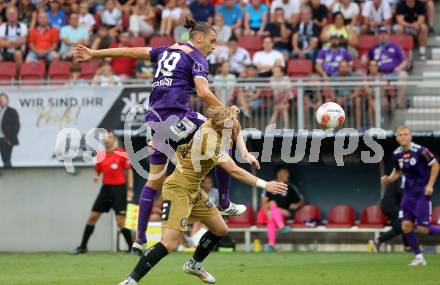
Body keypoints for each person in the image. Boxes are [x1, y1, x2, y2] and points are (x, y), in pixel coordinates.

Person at [73, 18, 259, 255]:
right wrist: (225, 112)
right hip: (177, 117)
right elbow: (203, 92)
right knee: (223, 136)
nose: (214, 47)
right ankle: (224, 201)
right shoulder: (196, 57)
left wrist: (94, 53)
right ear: (198, 38)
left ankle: (139, 239)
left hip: (154, 122)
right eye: (212, 41)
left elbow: (129, 52)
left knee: (154, 181)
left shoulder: (165, 50)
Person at [118, 106, 288, 285]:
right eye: (229, 130)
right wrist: (265, 184)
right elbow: (233, 170)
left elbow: (234, 128)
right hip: (178, 188)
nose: (233, 132)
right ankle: (131, 280)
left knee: (220, 229)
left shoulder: (218, 124)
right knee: (169, 244)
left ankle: (194, 264)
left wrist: (245, 153)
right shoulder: (210, 140)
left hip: (194, 189)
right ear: (220, 129)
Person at [381, 125, 440, 266]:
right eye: (400, 135)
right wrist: (388, 179)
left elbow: (435, 165)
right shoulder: (397, 154)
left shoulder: (421, 150)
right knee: (406, 226)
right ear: (397, 138)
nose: (403, 137)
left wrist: (430, 185)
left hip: (421, 194)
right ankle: (419, 258)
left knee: (423, 229)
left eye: (405, 134)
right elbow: (397, 172)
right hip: (408, 195)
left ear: (410, 136)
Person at [71, 130, 134, 254]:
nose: (107, 139)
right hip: (105, 190)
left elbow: (129, 172)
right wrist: (95, 176)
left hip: (119, 190)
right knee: (92, 217)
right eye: (105, 137)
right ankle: (83, 247)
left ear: (114, 139)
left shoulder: (122, 153)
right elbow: (97, 170)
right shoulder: (101, 155)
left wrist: (130, 190)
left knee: (120, 221)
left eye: (109, 137)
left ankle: (132, 248)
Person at [257, 167, 304, 252]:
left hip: (278, 217)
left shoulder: (290, 187)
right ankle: (282, 227)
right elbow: (263, 203)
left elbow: (301, 200)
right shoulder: (270, 184)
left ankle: (271, 245)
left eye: (287, 173)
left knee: (271, 221)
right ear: (278, 174)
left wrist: (296, 205)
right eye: (285, 173)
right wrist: (268, 211)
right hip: (265, 214)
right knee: (272, 203)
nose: (287, 175)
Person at [368, 26, 408, 108]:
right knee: (379, 81)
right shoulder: (373, 49)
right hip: (380, 74)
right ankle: (385, 106)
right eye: (380, 34)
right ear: (378, 36)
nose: (383, 36)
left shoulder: (395, 46)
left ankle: (398, 102)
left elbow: (405, 61)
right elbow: (370, 62)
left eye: (385, 34)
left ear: (388, 35)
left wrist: (399, 68)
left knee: (404, 75)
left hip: (394, 72)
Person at [368, 177, 410, 252]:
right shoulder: (401, 178)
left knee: (401, 226)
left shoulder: (403, 178)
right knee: (402, 227)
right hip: (391, 206)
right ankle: (376, 241)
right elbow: (400, 191)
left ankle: (407, 246)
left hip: (391, 206)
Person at [0, 6, 27, 71]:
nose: (11, 16)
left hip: (18, 52)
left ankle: (17, 77)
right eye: (10, 14)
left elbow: (23, 40)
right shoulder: (3, 26)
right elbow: (1, 42)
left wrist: (7, 43)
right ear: (6, 16)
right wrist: (14, 43)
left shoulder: (22, 25)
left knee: (17, 53)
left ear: (17, 14)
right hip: (4, 53)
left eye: (13, 14)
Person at [0, 93, 20, 168]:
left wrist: (11, 137)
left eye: (3, 99)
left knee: (7, 158)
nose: (2, 101)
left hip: (7, 137)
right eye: (1, 100)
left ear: (7, 100)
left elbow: (16, 125)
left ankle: (9, 175)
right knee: (3, 157)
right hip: (0, 138)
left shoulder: (12, 111)